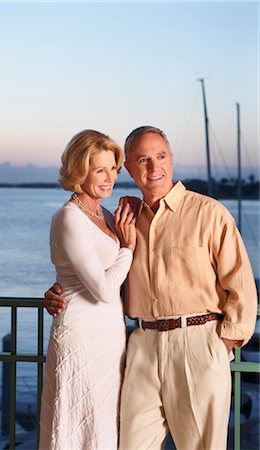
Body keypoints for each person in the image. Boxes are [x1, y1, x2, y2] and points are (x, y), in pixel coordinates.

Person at [44, 126, 257, 450]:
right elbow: (95, 270)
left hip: (197, 345)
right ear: (129, 168)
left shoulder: (209, 214)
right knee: (130, 444)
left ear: (171, 160)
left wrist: (221, 347)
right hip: (140, 346)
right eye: (143, 160)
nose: (154, 167)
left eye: (160, 157)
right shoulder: (126, 219)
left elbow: (240, 286)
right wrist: (60, 291)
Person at [39, 129, 136, 450]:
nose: (110, 178)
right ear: (79, 171)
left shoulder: (106, 215)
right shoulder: (68, 218)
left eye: (113, 169)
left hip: (111, 339)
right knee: (75, 426)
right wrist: (128, 248)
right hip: (80, 336)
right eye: (100, 170)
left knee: (103, 431)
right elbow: (105, 290)